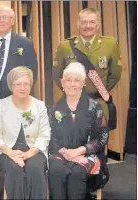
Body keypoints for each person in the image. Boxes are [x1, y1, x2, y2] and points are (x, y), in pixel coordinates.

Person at [48, 62, 109, 200]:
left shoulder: (95, 107)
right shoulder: (55, 108)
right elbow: (50, 136)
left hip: (87, 154)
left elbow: (103, 136)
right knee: (56, 170)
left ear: (83, 84)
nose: (72, 84)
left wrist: (80, 151)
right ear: (62, 83)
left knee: (77, 172)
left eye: (77, 80)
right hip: (61, 153)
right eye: (68, 80)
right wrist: (65, 151)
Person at [0, 66, 50, 199]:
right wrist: (10, 152)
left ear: (31, 84)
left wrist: (29, 153)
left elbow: (45, 135)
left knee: (35, 168)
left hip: (34, 150)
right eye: (18, 84)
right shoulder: (2, 105)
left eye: (26, 84)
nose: (22, 88)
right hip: (7, 150)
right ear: (11, 86)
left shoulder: (39, 105)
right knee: (14, 169)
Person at [52, 7, 122, 122]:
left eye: (92, 22)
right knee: (73, 139)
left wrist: (99, 90)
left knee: (99, 139)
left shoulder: (110, 44)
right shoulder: (65, 46)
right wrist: (72, 91)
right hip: (73, 104)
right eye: (84, 22)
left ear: (97, 25)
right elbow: (57, 75)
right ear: (78, 24)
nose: (88, 26)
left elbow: (115, 75)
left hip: (99, 103)